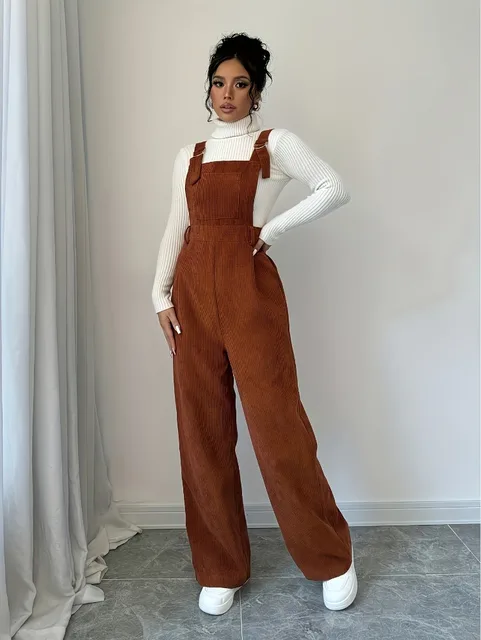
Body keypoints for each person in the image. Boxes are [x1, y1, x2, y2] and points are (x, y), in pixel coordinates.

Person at [152, 32, 357, 616]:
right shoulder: (189, 156)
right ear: (209, 89)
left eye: (240, 84)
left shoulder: (275, 145)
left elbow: (334, 187)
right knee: (203, 433)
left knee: (278, 429)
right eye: (219, 83)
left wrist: (270, 231)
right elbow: (177, 226)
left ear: (256, 92)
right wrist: (158, 295)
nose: (227, 94)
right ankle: (221, 567)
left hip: (251, 296)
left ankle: (331, 558)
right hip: (192, 297)